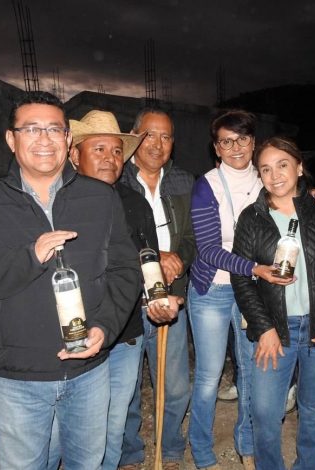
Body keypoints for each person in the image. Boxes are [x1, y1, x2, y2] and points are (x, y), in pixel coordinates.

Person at [0, 93, 141, 470]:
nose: (44, 139)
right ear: (11, 139)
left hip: (89, 370)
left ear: (68, 139)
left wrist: (105, 328)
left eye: (54, 129)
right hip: (18, 377)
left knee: (87, 463)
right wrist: (31, 256)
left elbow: (125, 270)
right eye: (32, 129)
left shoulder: (100, 198)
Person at [230, 136, 315, 470]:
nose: (275, 175)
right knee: (264, 411)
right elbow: (241, 279)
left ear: (299, 167)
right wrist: (264, 329)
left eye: (282, 165)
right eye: (265, 169)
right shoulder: (252, 218)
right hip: (276, 328)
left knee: (314, 408)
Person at [67, 109, 183, 470]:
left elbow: (148, 265)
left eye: (117, 151)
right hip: (74, 333)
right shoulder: (58, 202)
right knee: (80, 428)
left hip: (126, 332)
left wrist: (159, 299)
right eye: (99, 149)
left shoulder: (133, 202)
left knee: (115, 419)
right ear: (75, 155)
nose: (110, 158)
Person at [187, 109, 267, 469]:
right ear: (216, 148)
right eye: (226, 141)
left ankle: (247, 445)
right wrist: (253, 267)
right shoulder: (207, 185)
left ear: (253, 142)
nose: (236, 147)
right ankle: (202, 450)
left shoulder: (267, 180)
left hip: (253, 291)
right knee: (209, 375)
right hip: (213, 290)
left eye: (242, 139)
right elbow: (208, 249)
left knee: (251, 371)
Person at [119, 108, 195, 470]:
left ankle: (171, 447)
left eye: (166, 137)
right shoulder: (115, 178)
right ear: (134, 136)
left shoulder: (184, 181)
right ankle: (130, 452)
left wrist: (179, 258)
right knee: (127, 387)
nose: (158, 144)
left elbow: (195, 234)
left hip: (172, 295)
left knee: (175, 383)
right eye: (150, 134)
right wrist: (153, 256)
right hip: (129, 299)